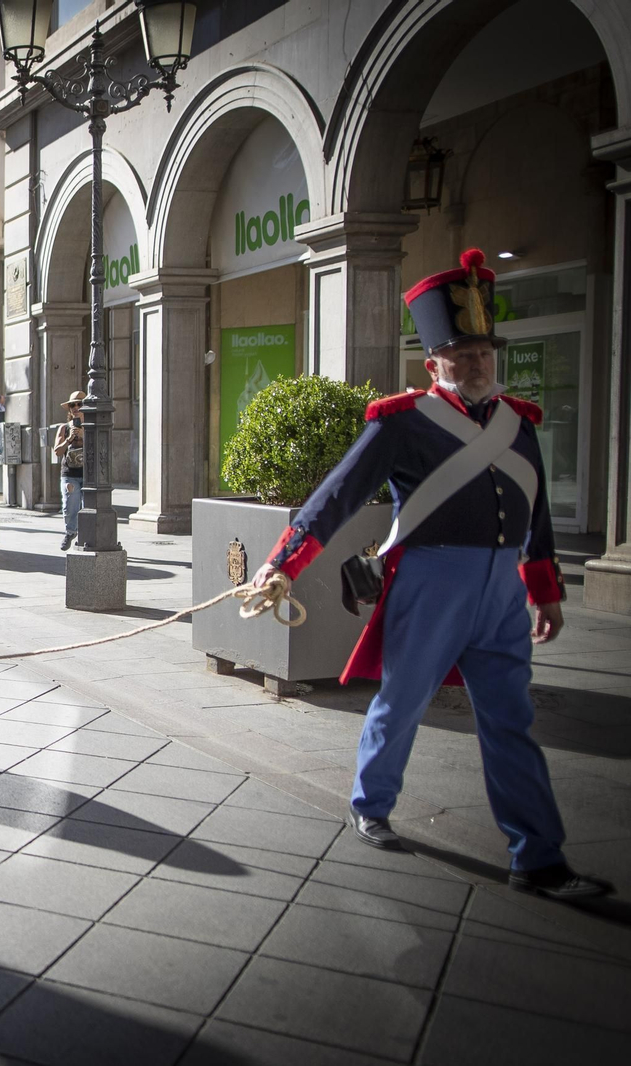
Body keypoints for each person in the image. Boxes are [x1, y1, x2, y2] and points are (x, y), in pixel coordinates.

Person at [250, 248, 611, 902]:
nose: (476, 363)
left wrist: (544, 589)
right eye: (462, 354)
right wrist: (282, 565)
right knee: (403, 702)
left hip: (502, 590)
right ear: (433, 362)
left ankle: (539, 857)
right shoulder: (404, 421)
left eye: (483, 352)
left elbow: (535, 512)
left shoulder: (519, 424)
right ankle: (371, 801)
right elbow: (337, 495)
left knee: (511, 721)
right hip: (432, 582)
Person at [52, 391, 85, 552]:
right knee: (70, 505)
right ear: (69, 409)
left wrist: (84, 435)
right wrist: (69, 439)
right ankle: (70, 532)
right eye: (73, 405)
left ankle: (86, 536)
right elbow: (57, 451)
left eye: (80, 404)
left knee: (89, 507)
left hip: (89, 475)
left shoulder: (93, 427)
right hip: (69, 474)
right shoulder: (64, 428)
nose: (76, 407)